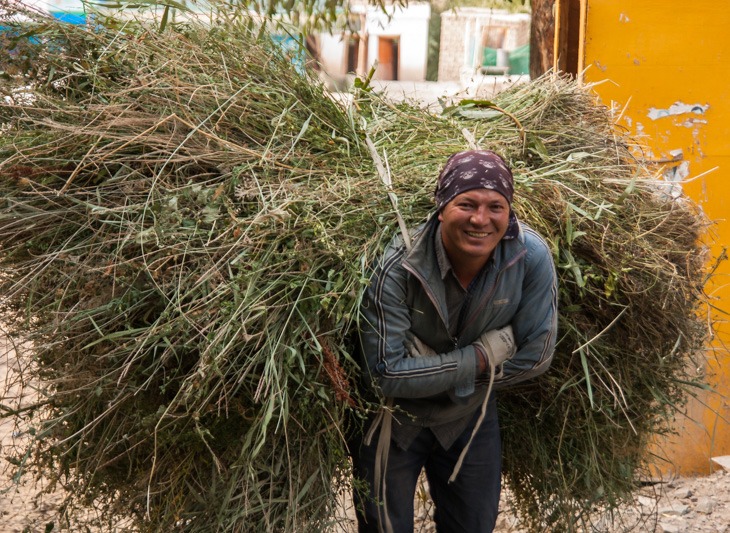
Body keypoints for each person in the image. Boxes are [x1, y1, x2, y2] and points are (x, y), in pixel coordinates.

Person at [352, 150, 558, 533]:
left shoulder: (529, 257)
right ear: (442, 208)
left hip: (471, 415)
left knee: (473, 525)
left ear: (509, 212)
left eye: (495, 207)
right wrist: (482, 356)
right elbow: (385, 375)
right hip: (395, 418)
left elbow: (537, 354)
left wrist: (431, 372)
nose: (480, 219)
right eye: (466, 204)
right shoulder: (399, 264)